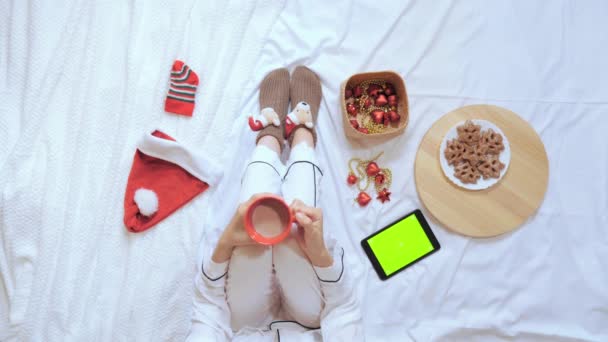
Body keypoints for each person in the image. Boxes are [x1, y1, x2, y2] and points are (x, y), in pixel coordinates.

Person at [186, 66, 363, 341]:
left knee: (257, 223)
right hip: (311, 324)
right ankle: (302, 136)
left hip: (245, 327)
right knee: (295, 232)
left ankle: (269, 137)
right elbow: (344, 309)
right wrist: (321, 257)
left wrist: (226, 243)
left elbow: (208, 308)